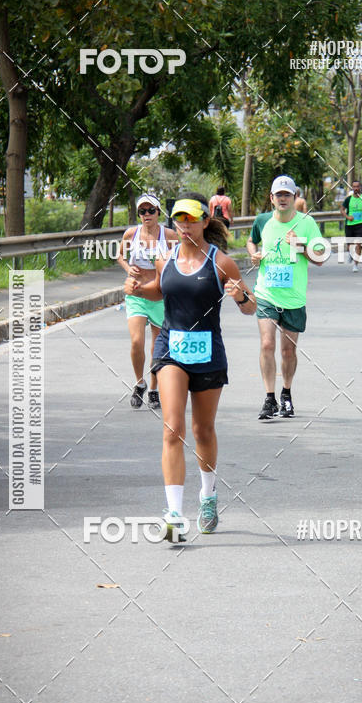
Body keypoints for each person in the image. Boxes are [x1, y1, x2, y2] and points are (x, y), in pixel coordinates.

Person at [124, 192, 256, 540]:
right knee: (172, 430)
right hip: (171, 350)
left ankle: (208, 495)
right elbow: (160, 292)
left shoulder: (221, 263)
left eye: (191, 219)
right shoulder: (164, 259)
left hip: (209, 353)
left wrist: (239, 296)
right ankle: (173, 514)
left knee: (203, 431)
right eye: (179, 219)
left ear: (204, 222)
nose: (184, 225)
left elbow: (250, 306)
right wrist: (137, 289)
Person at [247, 174, 324, 420]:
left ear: (294, 198)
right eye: (278, 195)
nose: (282, 199)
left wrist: (300, 245)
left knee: (288, 351)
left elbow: (321, 258)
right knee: (267, 344)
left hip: (293, 298)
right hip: (266, 294)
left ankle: (286, 394)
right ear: (271, 199)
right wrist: (254, 253)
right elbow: (251, 241)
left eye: (287, 195)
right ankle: (269, 399)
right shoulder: (262, 221)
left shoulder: (307, 223)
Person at [117, 194, 178, 409]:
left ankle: (153, 389)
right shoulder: (131, 234)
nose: (146, 215)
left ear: (158, 212)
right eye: (142, 211)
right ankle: (139, 383)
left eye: (151, 210)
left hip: (160, 296)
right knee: (136, 341)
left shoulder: (169, 235)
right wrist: (128, 268)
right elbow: (119, 255)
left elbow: (181, 256)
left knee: (157, 348)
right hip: (136, 293)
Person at [340, 180, 362, 272]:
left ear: (360, 187)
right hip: (349, 224)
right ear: (352, 188)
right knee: (350, 245)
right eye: (354, 187)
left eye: (357, 186)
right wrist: (347, 216)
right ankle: (351, 253)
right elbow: (342, 210)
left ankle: (355, 265)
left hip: (360, 224)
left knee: (358, 244)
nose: (356, 188)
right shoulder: (348, 199)